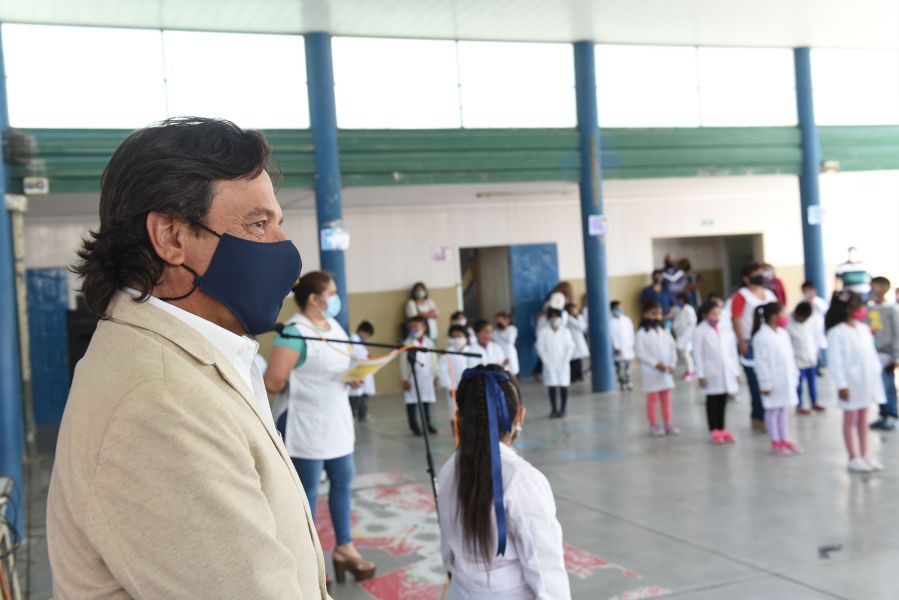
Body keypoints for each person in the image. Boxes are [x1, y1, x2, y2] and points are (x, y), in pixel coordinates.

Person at [48, 117, 329, 598]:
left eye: (277, 223)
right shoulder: (160, 402)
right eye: (258, 224)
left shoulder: (186, 358)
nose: (283, 247)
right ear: (171, 238)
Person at [265, 271, 376, 585]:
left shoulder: (334, 326)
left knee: (342, 482)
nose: (336, 299)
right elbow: (273, 381)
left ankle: (344, 547)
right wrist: (304, 383)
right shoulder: (294, 332)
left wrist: (352, 377)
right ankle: (309, 558)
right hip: (305, 424)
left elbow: (339, 365)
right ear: (314, 299)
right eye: (332, 293)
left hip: (337, 421)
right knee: (308, 493)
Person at [437, 365, 570, 599]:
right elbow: (546, 570)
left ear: (459, 419)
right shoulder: (523, 480)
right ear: (520, 417)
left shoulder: (447, 471)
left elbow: (448, 553)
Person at [826, 291, 886, 473]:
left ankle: (864, 455)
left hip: (866, 381)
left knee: (863, 418)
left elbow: (871, 356)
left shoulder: (863, 329)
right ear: (847, 309)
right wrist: (841, 385)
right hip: (850, 383)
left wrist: (876, 376)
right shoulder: (836, 333)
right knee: (850, 419)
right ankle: (853, 457)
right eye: (857, 306)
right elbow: (835, 362)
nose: (861, 309)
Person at [730, 262, 778, 430]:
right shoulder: (741, 296)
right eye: (756, 273)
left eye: (761, 273)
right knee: (756, 383)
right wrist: (741, 341)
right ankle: (758, 417)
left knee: (771, 380)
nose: (761, 276)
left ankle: (771, 416)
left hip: (770, 342)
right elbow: (736, 319)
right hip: (750, 342)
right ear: (746, 278)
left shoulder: (769, 294)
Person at [752, 302, 802, 455]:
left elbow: (790, 357)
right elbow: (761, 362)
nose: (785, 317)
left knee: (783, 410)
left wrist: (794, 376)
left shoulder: (783, 334)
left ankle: (784, 439)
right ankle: (775, 441)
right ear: (774, 316)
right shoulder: (761, 337)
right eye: (782, 313)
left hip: (785, 379)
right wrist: (765, 384)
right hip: (771, 381)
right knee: (772, 410)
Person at [693, 300, 740, 444]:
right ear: (705, 315)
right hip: (710, 372)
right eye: (713, 314)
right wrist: (701, 375)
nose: (716, 317)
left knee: (723, 401)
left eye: (718, 313)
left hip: (726, 370)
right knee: (712, 401)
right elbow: (697, 354)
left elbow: (732, 352)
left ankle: (722, 428)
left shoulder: (725, 329)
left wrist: (736, 371)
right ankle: (713, 430)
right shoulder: (700, 330)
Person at [635, 302, 679, 436]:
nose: (657, 317)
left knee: (666, 399)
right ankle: (653, 424)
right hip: (651, 371)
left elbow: (672, 349)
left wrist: (672, 365)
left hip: (666, 371)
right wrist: (655, 364)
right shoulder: (641, 333)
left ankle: (668, 423)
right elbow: (640, 352)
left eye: (659, 314)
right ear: (645, 315)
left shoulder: (665, 331)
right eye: (653, 314)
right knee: (652, 399)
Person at [866, 277, 899, 431]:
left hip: (887, 354)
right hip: (873, 353)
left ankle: (892, 415)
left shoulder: (892, 309)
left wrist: (896, 356)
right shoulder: (869, 309)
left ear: (884, 289)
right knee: (878, 386)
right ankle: (883, 414)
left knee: (887, 385)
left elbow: (897, 333)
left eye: (875, 287)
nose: (872, 290)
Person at [399, 316, 439, 436]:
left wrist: (436, 376)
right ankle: (414, 426)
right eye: (411, 327)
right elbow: (403, 363)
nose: (413, 329)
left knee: (426, 402)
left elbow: (434, 360)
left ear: (424, 327)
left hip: (427, 376)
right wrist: (405, 379)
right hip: (412, 377)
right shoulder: (407, 343)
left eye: (416, 326)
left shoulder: (429, 343)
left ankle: (427, 424)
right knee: (412, 403)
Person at [535, 309, 576, 418]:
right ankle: (553, 409)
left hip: (563, 363)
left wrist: (566, 359)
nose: (555, 319)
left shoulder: (565, 331)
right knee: (551, 386)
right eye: (552, 317)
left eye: (557, 317)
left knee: (564, 386)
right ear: (548, 319)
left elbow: (570, 347)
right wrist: (545, 360)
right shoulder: (544, 332)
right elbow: (539, 347)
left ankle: (563, 409)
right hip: (549, 363)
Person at [788, 302, 822, 415]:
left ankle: (814, 402)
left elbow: (815, 337)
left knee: (812, 382)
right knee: (799, 384)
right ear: (796, 314)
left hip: (810, 356)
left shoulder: (811, 321)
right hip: (797, 360)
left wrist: (816, 351)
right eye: (802, 319)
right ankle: (799, 405)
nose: (804, 321)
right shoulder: (788, 323)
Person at [439, 324, 474, 425]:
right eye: (454, 337)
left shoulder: (471, 350)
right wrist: (450, 387)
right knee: (454, 414)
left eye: (459, 336)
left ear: (465, 337)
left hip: (471, 387)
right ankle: (457, 434)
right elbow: (442, 371)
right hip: (454, 389)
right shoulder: (447, 353)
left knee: (471, 413)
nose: (457, 339)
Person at [349, 320, 376, 422]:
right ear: (362, 331)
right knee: (355, 398)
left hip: (363, 372)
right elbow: (354, 356)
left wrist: (367, 356)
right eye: (367, 335)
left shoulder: (359, 342)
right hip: (356, 373)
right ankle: (353, 416)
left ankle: (362, 415)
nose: (366, 337)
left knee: (362, 396)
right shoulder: (352, 340)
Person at [800, 281, 829, 372]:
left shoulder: (819, 301)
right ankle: (812, 367)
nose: (807, 293)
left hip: (818, 329)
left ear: (814, 290)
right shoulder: (802, 302)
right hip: (806, 330)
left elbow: (825, 310)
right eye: (805, 291)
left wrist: (813, 301)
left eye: (809, 291)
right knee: (809, 348)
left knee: (818, 348)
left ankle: (819, 366)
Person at [610, 301, 635, 391]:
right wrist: (616, 347)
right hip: (618, 348)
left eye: (621, 308)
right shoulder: (610, 321)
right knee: (620, 367)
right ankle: (623, 382)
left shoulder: (627, 319)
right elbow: (611, 335)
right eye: (617, 308)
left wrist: (631, 343)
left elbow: (631, 332)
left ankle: (628, 381)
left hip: (627, 346)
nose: (619, 310)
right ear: (612, 309)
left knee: (628, 366)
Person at [672, 293, 697, 381]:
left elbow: (692, 324)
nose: (679, 301)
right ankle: (688, 370)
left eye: (680, 299)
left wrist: (686, 337)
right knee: (683, 354)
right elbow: (677, 323)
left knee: (686, 354)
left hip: (687, 336)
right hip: (681, 335)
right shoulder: (680, 310)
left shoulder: (688, 309)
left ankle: (691, 371)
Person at [565, 303, 590, 383]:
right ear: (570, 311)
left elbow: (584, 327)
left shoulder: (578, 317)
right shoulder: (569, 319)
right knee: (573, 360)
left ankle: (579, 375)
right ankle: (573, 377)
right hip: (573, 341)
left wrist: (579, 317)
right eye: (575, 309)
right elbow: (581, 326)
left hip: (578, 341)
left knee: (578, 359)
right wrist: (579, 318)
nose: (577, 311)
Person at [494, 311, 521, 377]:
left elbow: (510, 340)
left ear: (507, 320)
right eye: (496, 320)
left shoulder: (512, 329)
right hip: (499, 355)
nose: (497, 322)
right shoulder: (495, 332)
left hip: (509, 354)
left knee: (512, 374)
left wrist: (501, 329)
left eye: (499, 320)